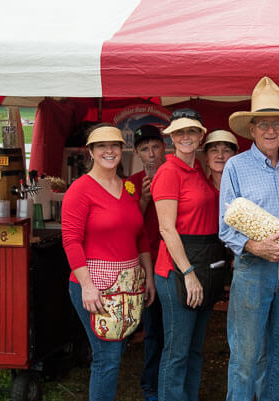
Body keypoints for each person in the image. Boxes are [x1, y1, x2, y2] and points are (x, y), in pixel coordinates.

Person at [219, 76, 279, 401]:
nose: (271, 131)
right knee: (246, 354)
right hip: (252, 268)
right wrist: (255, 245)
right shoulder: (236, 167)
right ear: (252, 129)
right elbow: (225, 226)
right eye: (263, 125)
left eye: (277, 124)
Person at [62, 124, 156, 401]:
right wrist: (88, 286)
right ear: (90, 152)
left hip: (128, 284)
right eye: (101, 146)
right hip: (95, 285)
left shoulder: (128, 188)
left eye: (114, 145)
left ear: (122, 149)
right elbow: (71, 241)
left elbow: (140, 236)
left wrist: (148, 277)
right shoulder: (80, 189)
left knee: (114, 352)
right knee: (107, 356)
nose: (109, 151)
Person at [151, 108, 224, 401]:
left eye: (191, 131)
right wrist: (188, 272)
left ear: (201, 135)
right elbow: (167, 229)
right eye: (179, 132)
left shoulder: (197, 171)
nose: (186, 137)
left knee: (194, 349)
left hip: (203, 265)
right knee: (177, 351)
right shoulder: (169, 172)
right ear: (171, 137)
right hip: (177, 270)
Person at [127, 124, 167, 401]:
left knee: (175, 331)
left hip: (175, 259)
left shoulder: (176, 172)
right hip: (149, 261)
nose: (151, 154)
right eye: (145, 149)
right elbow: (130, 227)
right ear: (137, 153)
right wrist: (142, 199)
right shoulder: (132, 182)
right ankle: (151, 386)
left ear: (164, 147)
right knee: (153, 329)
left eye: (155, 147)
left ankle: (170, 383)